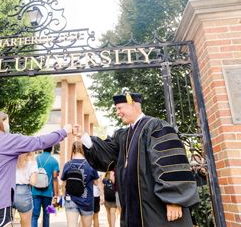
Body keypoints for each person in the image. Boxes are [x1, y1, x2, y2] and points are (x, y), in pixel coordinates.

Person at [74, 92, 200, 226]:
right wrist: (84, 136)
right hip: (132, 208)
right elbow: (106, 153)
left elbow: (171, 164)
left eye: (119, 108)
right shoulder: (123, 135)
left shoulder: (156, 126)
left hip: (157, 206)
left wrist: (174, 200)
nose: (117, 112)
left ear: (132, 105)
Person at [61, 141, 99, 227]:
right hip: (87, 200)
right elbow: (96, 183)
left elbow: (63, 184)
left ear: (73, 150)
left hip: (71, 199)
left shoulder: (68, 164)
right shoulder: (91, 164)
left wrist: (65, 196)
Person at [31, 146, 60, 227]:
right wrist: (56, 195)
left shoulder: (35, 159)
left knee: (34, 215)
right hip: (48, 192)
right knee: (46, 216)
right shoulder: (54, 161)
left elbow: (31, 175)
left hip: (35, 191)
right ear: (52, 149)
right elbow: (55, 178)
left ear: (43, 148)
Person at [12, 152, 38, 227]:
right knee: (26, 224)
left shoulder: (11, 157)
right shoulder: (31, 160)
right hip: (23, 192)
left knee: (8, 223)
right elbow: (33, 182)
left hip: (8, 192)